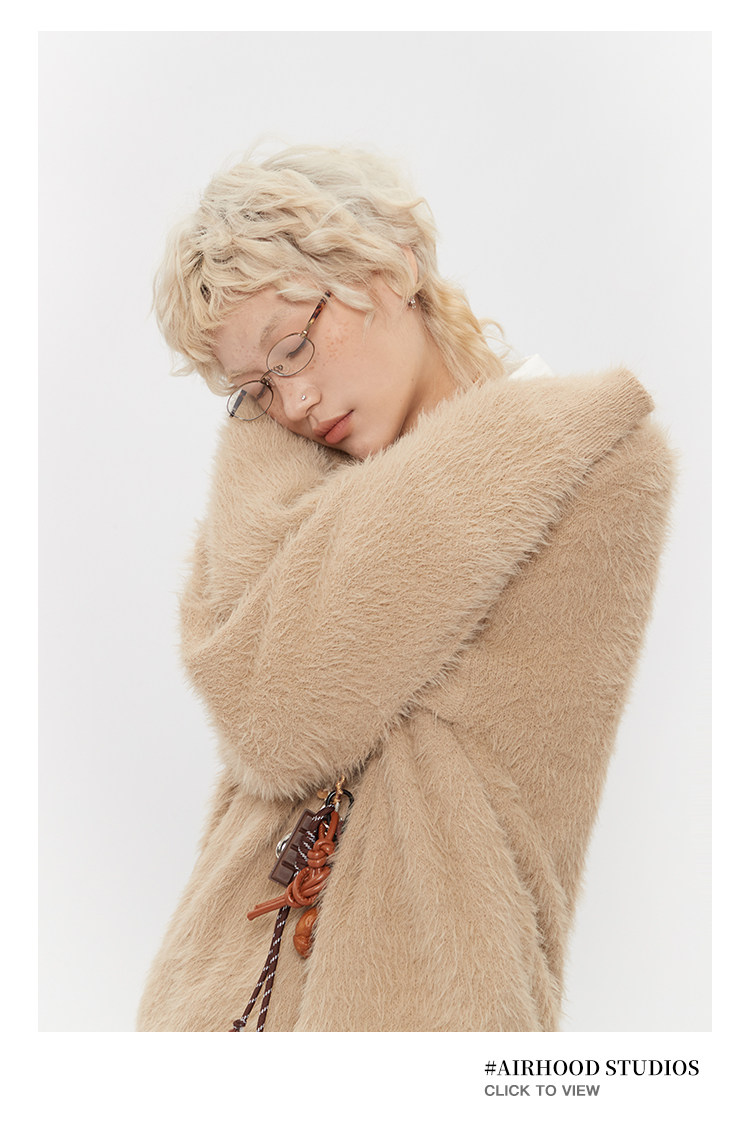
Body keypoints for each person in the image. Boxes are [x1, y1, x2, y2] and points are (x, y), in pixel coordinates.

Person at [137, 144, 674, 1032]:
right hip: (214, 1009)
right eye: (253, 392)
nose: (291, 405)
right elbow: (263, 695)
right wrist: (263, 431)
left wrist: (277, 492)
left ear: (390, 267)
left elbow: (279, 706)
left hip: (431, 1008)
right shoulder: (324, 486)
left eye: (293, 347)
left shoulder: (593, 460)